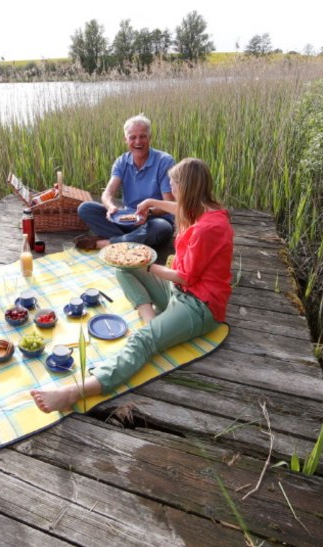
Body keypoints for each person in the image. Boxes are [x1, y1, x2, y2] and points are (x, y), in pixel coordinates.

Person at [31, 158, 232, 413]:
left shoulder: (208, 228)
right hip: (178, 293)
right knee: (123, 267)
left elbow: (184, 277)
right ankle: (152, 323)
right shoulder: (203, 209)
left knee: (141, 340)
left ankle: (74, 391)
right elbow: (178, 208)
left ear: (186, 188)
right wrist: (150, 202)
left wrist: (147, 265)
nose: (172, 190)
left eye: (174, 185)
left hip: (199, 306)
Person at [75, 113, 175, 250]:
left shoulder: (164, 161)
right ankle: (131, 240)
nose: (138, 142)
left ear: (150, 137)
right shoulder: (121, 161)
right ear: (126, 140)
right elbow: (108, 192)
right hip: (127, 219)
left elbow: (168, 204)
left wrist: (149, 212)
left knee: (162, 228)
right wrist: (110, 206)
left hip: (153, 220)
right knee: (85, 208)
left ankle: (108, 243)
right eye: (132, 137)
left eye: (143, 136)